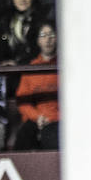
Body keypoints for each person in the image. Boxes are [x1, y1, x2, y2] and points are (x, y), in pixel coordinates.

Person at [12, 21, 58, 150]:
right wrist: (37, 117)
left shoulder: (66, 65)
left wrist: (53, 118)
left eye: (51, 35)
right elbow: (22, 101)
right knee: (23, 137)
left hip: (60, 120)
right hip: (36, 119)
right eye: (43, 35)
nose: (48, 39)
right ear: (38, 40)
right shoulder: (31, 67)